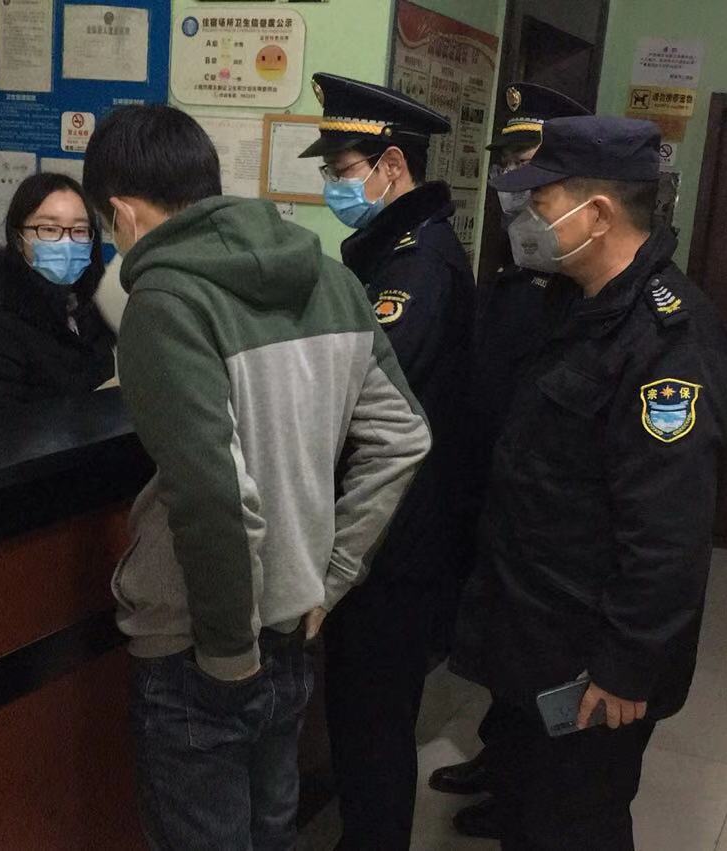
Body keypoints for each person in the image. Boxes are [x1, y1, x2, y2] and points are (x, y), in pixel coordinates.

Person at [82, 104, 432, 850]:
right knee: (273, 834)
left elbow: (213, 492)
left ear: (122, 212)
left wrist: (226, 651)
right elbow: (403, 436)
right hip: (297, 625)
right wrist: (334, 575)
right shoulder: (332, 281)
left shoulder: (165, 303)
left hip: (200, 646)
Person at [474, 115, 727, 848]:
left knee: (576, 823)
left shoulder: (669, 340)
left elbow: (669, 532)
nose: (529, 218)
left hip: (592, 660)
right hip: (538, 631)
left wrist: (626, 666)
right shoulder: (576, 303)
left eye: (542, 201)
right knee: (529, 813)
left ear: (596, 213)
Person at [297, 72, 474, 851]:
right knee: (365, 718)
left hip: (396, 541)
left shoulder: (415, 266)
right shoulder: (395, 251)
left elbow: (363, 389)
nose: (334, 187)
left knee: (371, 723)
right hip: (393, 531)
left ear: (391, 165)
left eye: (342, 170)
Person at [436, 82, 591, 841]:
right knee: (501, 648)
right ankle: (498, 759)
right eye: (508, 167)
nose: (514, 186)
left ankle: (518, 782)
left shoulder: (582, 293)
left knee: (533, 658)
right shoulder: (511, 277)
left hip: (540, 517)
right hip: (491, 492)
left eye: (530, 166)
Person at [0, 173, 115, 412]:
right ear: (18, 239)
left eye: (80, 230)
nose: (67, 241)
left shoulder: (89, 306)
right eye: (49, 228)